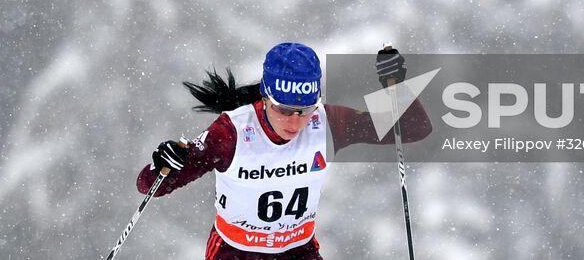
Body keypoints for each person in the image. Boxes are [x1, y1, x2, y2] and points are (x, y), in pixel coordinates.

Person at [137, 42, 432, 259]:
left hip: (298, 252)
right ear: (266, 97)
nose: (295, 122)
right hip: (237, 253)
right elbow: (150, 186)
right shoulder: (232, 132)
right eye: (285, 110)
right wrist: (164, 162)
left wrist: (397, 87)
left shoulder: (325, 123)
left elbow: (415, 127)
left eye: (304, 110)